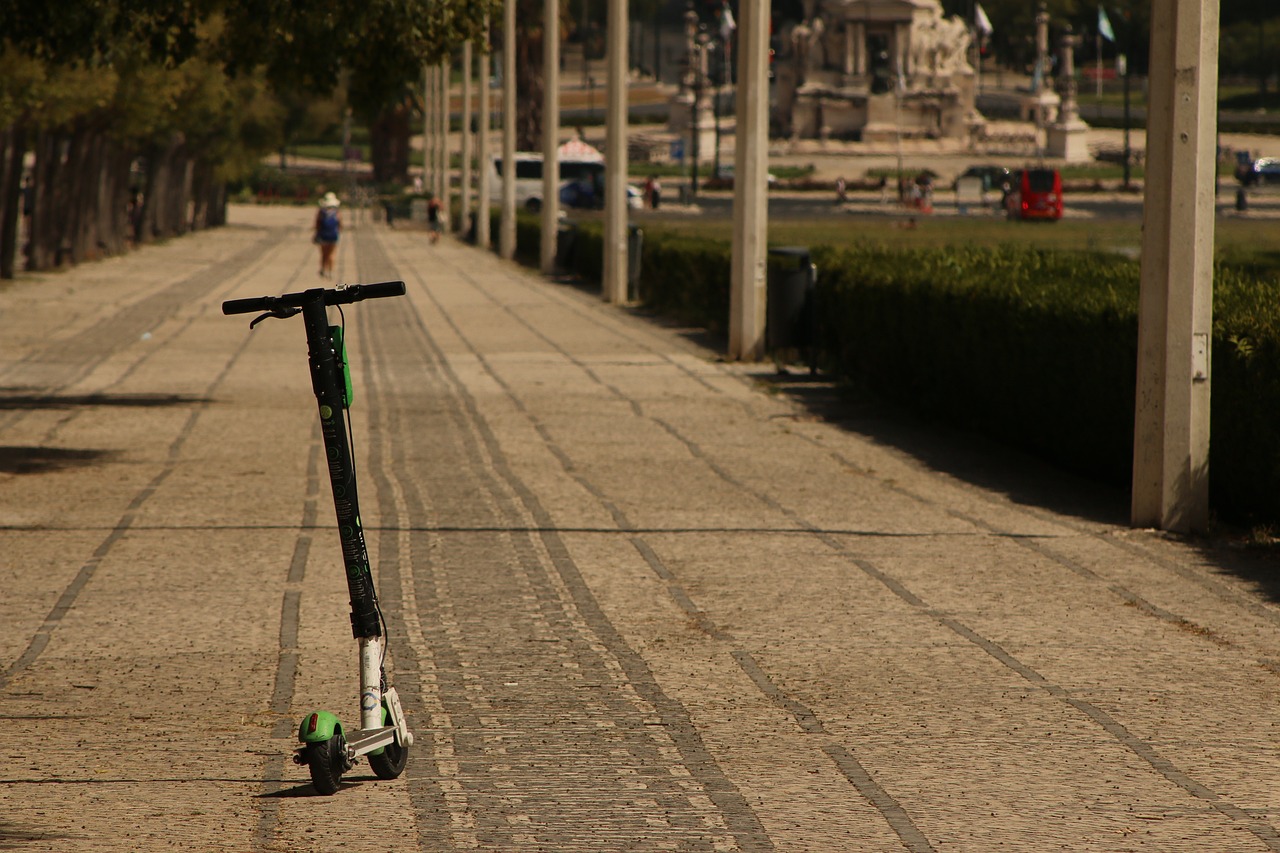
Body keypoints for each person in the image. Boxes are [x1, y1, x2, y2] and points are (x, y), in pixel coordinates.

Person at [314, 192, 341, 277]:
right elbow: (340, 224)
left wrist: (317, 233)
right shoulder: (336, 212)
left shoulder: (321, 212)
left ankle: (323, 269)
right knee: (331, 253)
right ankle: (331, 271)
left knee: (324, 253)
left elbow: (317, 224)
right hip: (333, 235)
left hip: (323, 235)